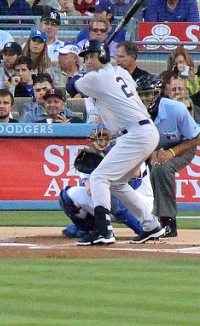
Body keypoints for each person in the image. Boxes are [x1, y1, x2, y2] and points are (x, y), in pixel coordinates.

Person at [65, 40, 168, 245]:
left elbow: (70, 87)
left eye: (91, 56)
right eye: (85, 57)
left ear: (102, 56)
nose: (88, 61)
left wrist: (77, 74)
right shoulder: (121, 72)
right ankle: (151, 226)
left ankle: (104, 230)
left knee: (99, 178)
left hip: (136, 134)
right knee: (118, 183)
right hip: (139, 132)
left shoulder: (94, 78)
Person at [137, 74, 200, 239]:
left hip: (182, 146)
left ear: (158, 93)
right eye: (142, 94)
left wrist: (171, 152)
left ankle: (167, 221)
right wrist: (150, 153)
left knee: (161, 169)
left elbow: (195, 138)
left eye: (149, 93)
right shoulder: (135, 111)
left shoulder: (176, 109)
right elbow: (130, 136)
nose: (146, 98)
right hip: (150, 147)